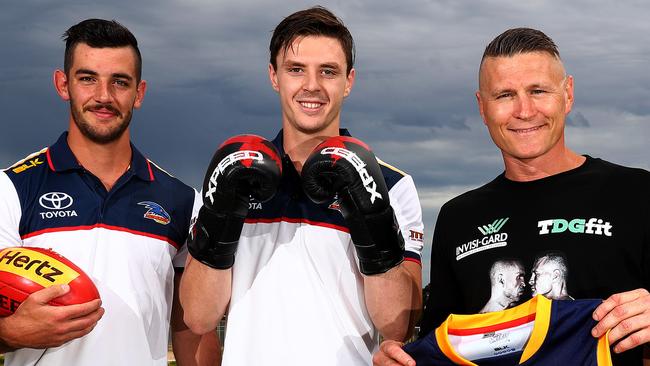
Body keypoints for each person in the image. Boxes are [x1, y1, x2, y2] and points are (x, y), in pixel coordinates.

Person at [374, 27, 650, 366]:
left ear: (568, 94)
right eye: (504, 95)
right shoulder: (458, 218)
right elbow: (441, 345)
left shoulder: (636, 193)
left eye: (538, 90)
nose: (524, 110)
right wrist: (402, 360)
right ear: (482, 107)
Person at [180, 6, 424, 366]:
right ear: (274, 76)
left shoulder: (393, 185)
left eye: (328, 71)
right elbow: (199, 317)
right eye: (296, 70)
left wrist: (371, 217)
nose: (312, 85)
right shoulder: (233, 173)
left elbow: (396, 326)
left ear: (349, 81)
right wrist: (219, 215)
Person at [0, 19, 218, 365]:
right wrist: (8, 333)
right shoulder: (11, 188)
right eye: (87, 79)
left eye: (120, 82)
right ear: (63, 84)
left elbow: (193, 328)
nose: (104, 96)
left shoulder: (181, 200)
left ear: (139, 93)